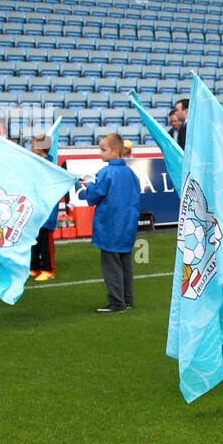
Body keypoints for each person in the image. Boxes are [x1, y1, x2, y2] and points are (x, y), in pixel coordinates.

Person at [76, 133, 140, 313]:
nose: (100, 153)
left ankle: (116, 302)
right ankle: (127, 299)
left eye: (103, 150)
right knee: (126, 264)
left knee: (111, 265)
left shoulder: (106, 173)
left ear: (115, 151)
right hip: (127, 225)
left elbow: (95, 196)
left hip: (110, 225)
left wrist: (89, 186)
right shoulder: (130, 172)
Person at [28, 135, 58, 281]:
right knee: (34, 239)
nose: (31, 149)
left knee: (44, 241)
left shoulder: (49, 166)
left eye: (33, 146)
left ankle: (48, 269)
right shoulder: (38, 164)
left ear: (40, 149)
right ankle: (34, 267)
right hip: (36, 209)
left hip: (46, 210)